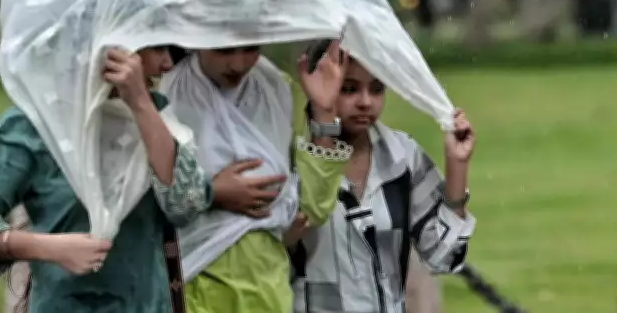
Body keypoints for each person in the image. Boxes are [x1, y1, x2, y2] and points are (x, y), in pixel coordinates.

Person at [0, 46, 213, 313]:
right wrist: (47, 247)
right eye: (156, 48)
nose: (167, 64)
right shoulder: (35, 125)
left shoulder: (156, 117)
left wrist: (140, 104)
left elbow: (186, 204)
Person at [159, 41, 353, 313]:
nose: (238, 64)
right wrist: (210, 193)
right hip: (193, 287)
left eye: (250, 48)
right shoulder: (164, 96)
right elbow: (147, 202)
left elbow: (313, 208)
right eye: (224, 49)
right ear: (197, 38)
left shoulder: (278, 90)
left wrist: (324, 112)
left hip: (267, 289)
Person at [291, 40, 477, 313]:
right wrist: (324, 121)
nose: (366, 102)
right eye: (349, 89)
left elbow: (443, 257)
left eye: (377, 89)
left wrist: (457, 166)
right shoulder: (290, 160)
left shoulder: (401, 157)